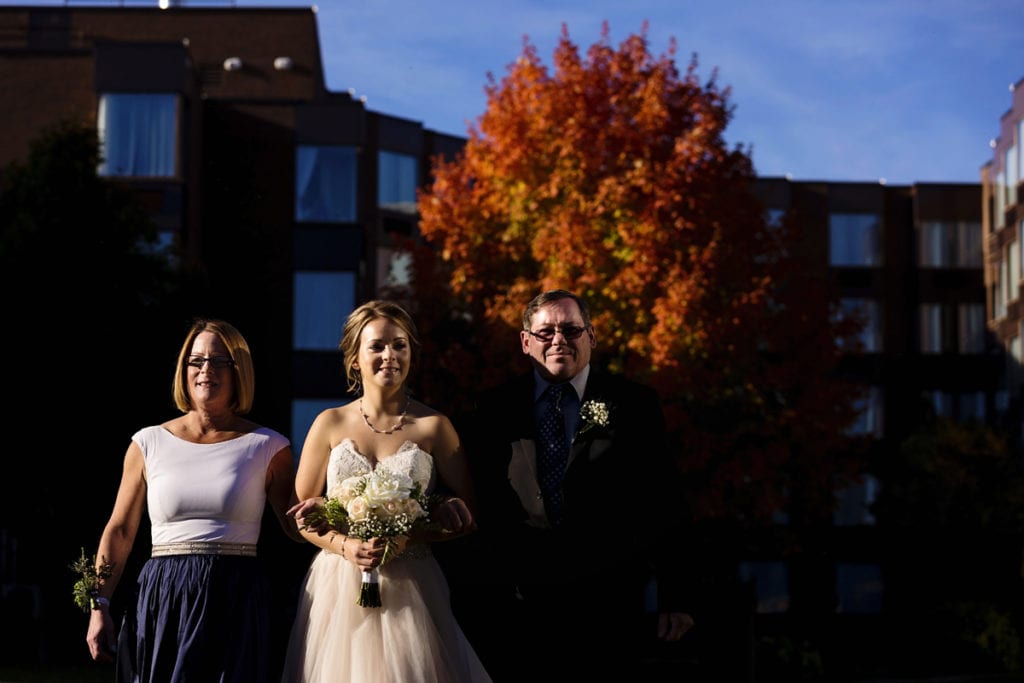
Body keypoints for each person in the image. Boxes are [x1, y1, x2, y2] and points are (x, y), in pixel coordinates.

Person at [445, 289, 695, 681]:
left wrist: (676, 596)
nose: (558, 339)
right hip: (517, 603)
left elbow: (664, 500)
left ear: (591, 337)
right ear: (526, 343)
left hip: (609, 600)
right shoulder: (492, 408)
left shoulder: (634, 403)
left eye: (571, 330)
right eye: (545, 333)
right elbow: (478, 500)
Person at [83, 318, 305, 682]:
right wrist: (99, 603)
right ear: (183, 370)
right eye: (196, 360)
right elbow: (120, 529)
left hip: (235, 595)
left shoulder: (269, 446)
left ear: (239, 371)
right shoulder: (147, 443)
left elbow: (296, 528)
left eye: (219, 361)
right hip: (162, 597)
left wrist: (341, 521)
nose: (206, 370)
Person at [281, 299, 491, 683]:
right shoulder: (329, 423)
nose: (389, 355)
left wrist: (410, 536)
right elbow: (299, 522)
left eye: (399, 345)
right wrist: (345, 546)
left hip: (413, 587)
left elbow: (468, 516)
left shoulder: (434, 427)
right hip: (338, 588)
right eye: (377, 345)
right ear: (355, 359)